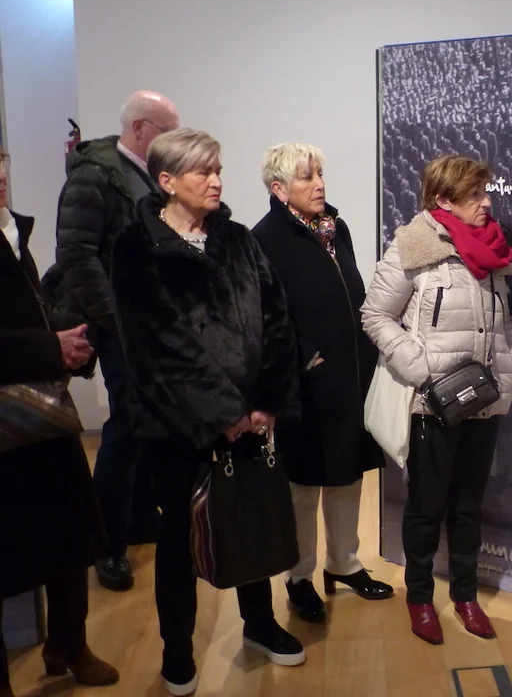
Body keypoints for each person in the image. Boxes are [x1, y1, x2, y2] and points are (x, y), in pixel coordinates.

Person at [110, 129, 305, 695]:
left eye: (218, 169)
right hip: (178, 427)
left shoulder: (238, 239)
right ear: (167, 181)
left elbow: (276, 319)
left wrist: (266, 401)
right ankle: (177, 651)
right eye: (203, 171)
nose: (217, 180)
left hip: (251, 417)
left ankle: (260, 624)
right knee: (179, 538)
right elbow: (157, 346)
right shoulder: (136, 247)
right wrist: (221, 412)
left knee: (250, 520)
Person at [361, 155, 512, 646]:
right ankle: (419, 597)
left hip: (485, 396)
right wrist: (420, 367)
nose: (486, 202)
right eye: (475, 195)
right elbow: (375, 315)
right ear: (444, 200)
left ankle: (465, 595)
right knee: (427, 504)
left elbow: (501, 320)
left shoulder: (492, 248)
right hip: (434, 401)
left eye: (485, 192)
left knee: (469, 505)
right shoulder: (413, 246)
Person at [251, 143, 394, 625]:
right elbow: (265, 317)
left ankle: (344, 563)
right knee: (304, 485)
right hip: (306, 383)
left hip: (352, 375)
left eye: (319, 174)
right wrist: (306, 359)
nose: (319, 184)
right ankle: (299, 577)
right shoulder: (264, 239)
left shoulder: (337, 228)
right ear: (279, 189)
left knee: (347, 473)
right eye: (306, 177)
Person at [0, 149, 119, 697]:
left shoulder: (13, 231)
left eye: (2, 161)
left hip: (41, 413)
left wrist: (66, 338)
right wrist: (49, 347)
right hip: (10, 419)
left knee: (71, 534)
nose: (1, 175)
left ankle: (68, 644)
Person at [55, 90, 180, 591]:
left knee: (149, 419)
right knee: (126, 426)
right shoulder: (96, 175)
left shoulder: (143, 174)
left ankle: (140, 518)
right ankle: (105, 542)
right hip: (119, 325)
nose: (174, 140)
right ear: (141, 128)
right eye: (169, 130)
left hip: (146, 323)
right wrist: (118, 320)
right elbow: (77, 255)